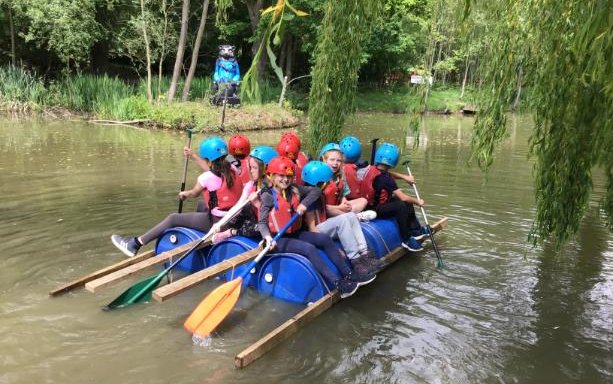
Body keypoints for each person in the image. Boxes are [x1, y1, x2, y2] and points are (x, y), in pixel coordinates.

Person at [258, 157, 374, 298]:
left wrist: (304, 204)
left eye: (288, 176)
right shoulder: (267, 196)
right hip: (276, 239)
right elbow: (262, 222)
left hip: (295, 233)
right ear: (272, 176)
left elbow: (316, 192)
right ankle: (338, 283)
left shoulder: (294, 189)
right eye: (281, 176)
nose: (285, 180)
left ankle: (349, 274)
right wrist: (268, 237)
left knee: (324, 239)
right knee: (309, 249)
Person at [110, 137, 242, 257]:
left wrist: (184, 194)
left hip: (218, 222)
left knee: (173, 218)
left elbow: (194, 193)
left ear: (208, 161)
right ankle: (199, 239)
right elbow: (213, 172)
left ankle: (135, 244)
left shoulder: (205, 178)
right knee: (202, 205)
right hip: (234, 218)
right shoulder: (232, 169)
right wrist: (193, 156)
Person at [301, 161, 379, 274]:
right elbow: (312, 229)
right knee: (342, 220)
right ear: (320, 183)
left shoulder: (319, 194)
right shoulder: (309, 199)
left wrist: (345, 214)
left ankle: (364, 252)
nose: (329, 183)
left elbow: (327, 212)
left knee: (351, 216)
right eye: (327, 182)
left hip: (324, 224)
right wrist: (331, 246)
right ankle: (355, 259)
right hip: (317, 230)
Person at [370, 143, 429, 252]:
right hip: (375, 209)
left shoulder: (373, 169)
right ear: (394, 161)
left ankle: (416, 230)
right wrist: (418, 201)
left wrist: (404, 177)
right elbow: (403, 198)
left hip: (374, 204)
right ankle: (406, 239)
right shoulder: (387, 179)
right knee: (402, 204)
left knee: (405, 202)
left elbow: (390, 174)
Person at [212, 145, 278, 243]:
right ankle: (225, 230)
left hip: (266, 221)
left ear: (266, 168)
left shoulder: (276, 188)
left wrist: (256, 203)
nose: (251, 171)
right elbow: (238, 206)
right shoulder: (251, 185)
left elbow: (272, 217)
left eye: (254, 168)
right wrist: (221, 223)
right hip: (253, 216)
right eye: (250, 167)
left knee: (260, 228)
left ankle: (232, 232)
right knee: (232, 219)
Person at [340, 136, 416, 208]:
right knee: (400, 201)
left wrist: (403, 177)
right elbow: (382, 175)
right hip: (363, 202)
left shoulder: (336, 168)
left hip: (353, 201)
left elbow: (381, 175)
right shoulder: (366, 168)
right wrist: (404, 177)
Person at [319, 142, 376, 221]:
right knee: (327, 209)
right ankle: (354, 217)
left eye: (338, 160)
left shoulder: (340, 176)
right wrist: (339, 207)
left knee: (363, 200)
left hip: (338, 208)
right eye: (332, 160)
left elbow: (342, 195)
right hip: (326, 210)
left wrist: (345, 204)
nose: (335, 163)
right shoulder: (319, 177)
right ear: (324, 159)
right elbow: (319, 205)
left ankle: (348, 215)